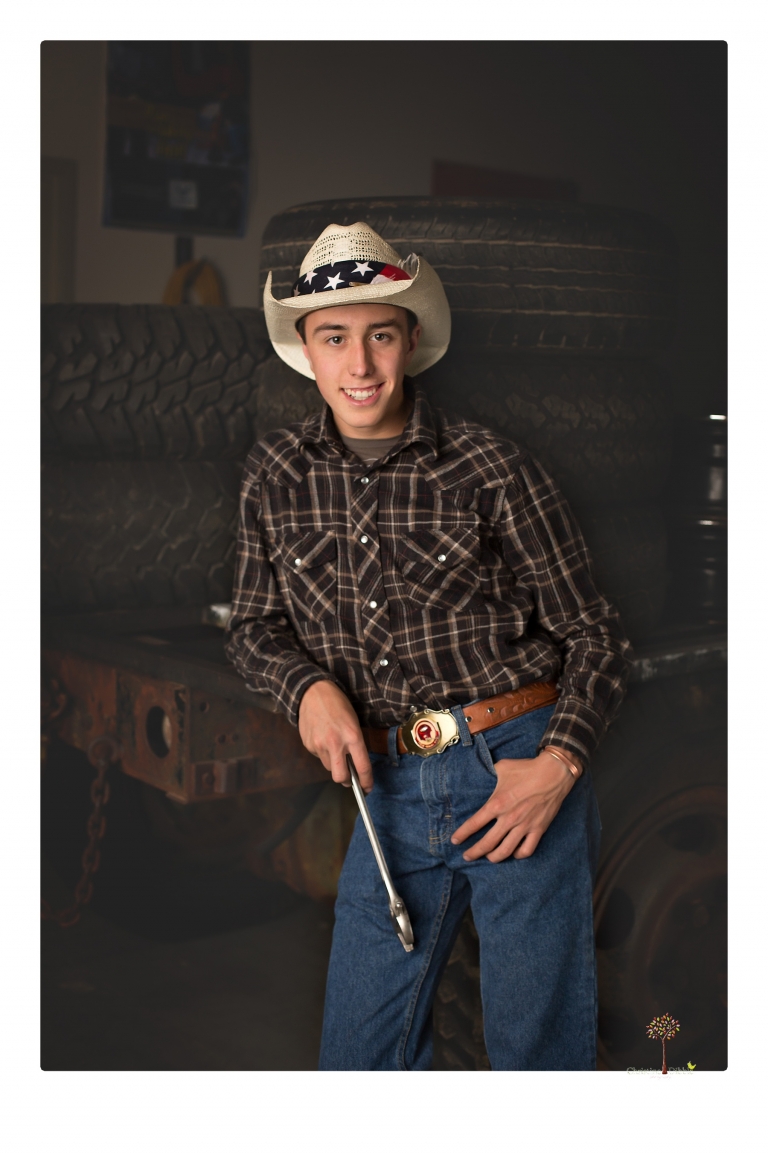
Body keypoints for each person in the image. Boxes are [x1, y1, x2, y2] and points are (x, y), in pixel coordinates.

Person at [226, 222, 632, 1070]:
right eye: (335, 338)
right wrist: (305, 689)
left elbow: (594, 633)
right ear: (306, 347)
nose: (361, 364)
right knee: (359, 1061)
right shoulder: (275, 476)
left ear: (411, 340)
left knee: (538, 1058)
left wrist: (557, 767)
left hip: (514, 767)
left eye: (380, 334)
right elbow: (256, 627)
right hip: (389, 790)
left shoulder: (491, 468)